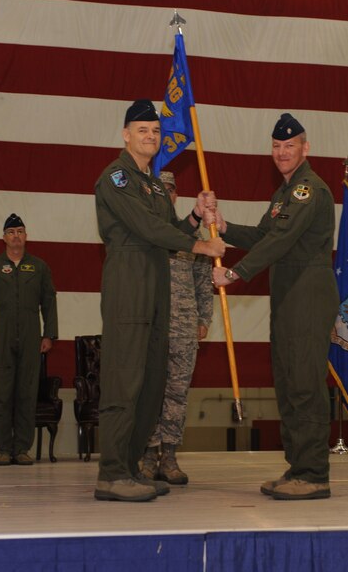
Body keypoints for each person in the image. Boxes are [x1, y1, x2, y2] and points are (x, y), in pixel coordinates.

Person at [93, 100, 225, 502]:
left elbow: (168, 228)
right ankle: (112, 473)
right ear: (126, 135)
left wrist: (194, 216)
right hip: (130, 283)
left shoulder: (151, 182)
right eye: (142, 130)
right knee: (125, 382)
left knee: (151, 385)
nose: (150, 137)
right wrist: (200, 243)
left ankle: (132, 466)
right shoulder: (116, 177)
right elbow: (147, 227)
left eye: (155, 131)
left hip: (157, 289)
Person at [211, 113, 338, 500]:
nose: (283, 152)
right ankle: (298, 467)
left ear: (305, 147)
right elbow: (266, 234)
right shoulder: (284, 192)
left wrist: (235, 274)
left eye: (290, 146)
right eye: (277, 147)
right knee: (287, 383)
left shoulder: (307, 190)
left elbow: (279, 241)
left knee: (304, 384)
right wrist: (225, 226)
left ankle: (314, 472)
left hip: (307, 294)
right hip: (288, 295)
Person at [139, 171, 214, 485]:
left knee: (177, 395)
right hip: (152, 328)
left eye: (171, 191)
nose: (167, 195)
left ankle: (169, 456)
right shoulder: (146, 233)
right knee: (150, 393)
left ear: (176, 195)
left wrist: (203, 319)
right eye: (161, 190)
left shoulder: (193, 238)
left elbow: (203, 283)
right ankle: (147, 454)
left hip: (184, 327)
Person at [0, 214, 58, 466]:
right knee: (1, 392)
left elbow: (49, 302)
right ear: (4, 237)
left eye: (20, 231)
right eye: (11, 232)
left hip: (32, 335)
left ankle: (22, 448)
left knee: (26, 392)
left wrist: (49, 334)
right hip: (1, 335)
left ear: (26, 236)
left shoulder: (39, 267)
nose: (16, 236)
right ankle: (3, 449)